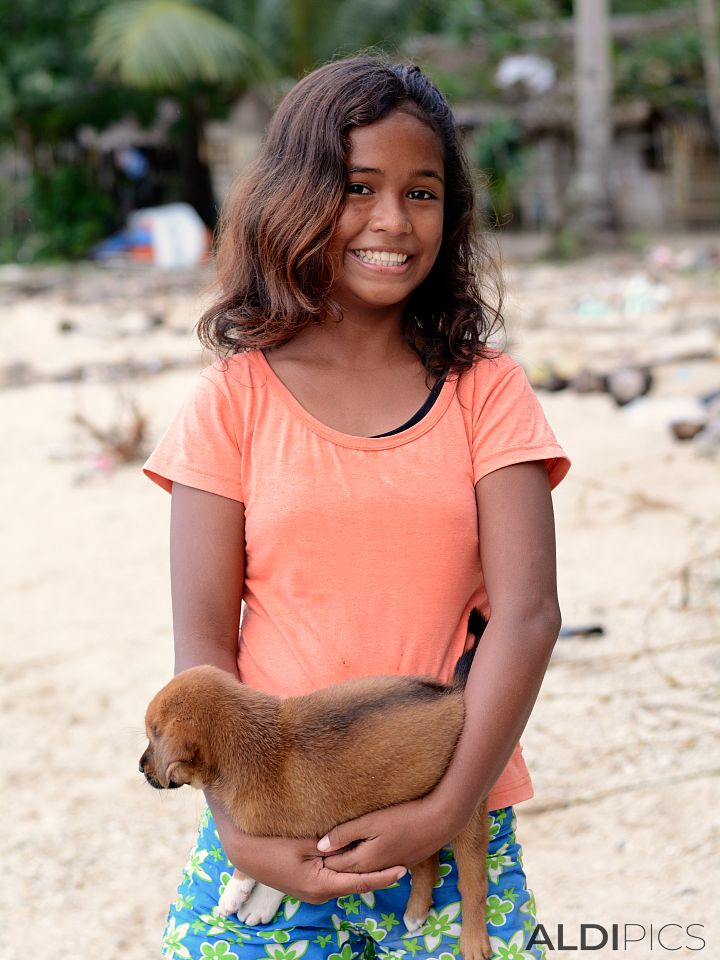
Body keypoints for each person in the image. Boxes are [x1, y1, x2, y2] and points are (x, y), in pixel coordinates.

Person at [144, 55, 570, 960]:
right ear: (296, 195)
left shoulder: (485, 391)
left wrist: (448, 806)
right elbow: (205, 653)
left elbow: (528, 616)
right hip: (275, 838)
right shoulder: (234, 400)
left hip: (455, 815)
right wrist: (239, 831)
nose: (392, 221)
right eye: (358, 187)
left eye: (423, 192)